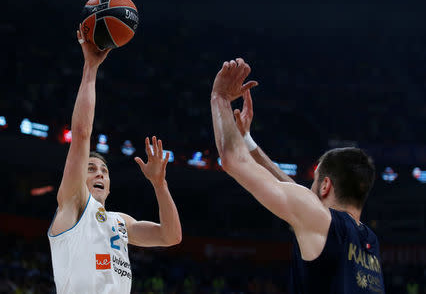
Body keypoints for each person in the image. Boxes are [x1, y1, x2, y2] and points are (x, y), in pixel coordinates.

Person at [210, 58, 385, 293]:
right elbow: (292, 190)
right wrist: (248, 141)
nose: (306, 189)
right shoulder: (368, 241)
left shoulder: (324, 221)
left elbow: (232, 160)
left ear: (325, 186)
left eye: (313, 182)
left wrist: (219, 99)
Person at [48, 26, 182, 294]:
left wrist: (159, 184)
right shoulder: (72, 207)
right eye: (91, 168)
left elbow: (171, 236)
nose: (99, 174)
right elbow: (82, 134)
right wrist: (90, 68)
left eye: (104, 171)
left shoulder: (120, 222)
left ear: (109, 184)